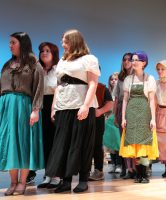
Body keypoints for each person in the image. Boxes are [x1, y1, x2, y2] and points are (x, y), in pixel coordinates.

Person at [45, 29, 100, 193]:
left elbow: (93, 84)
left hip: (81, 105)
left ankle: (83, 180)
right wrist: (54, 106)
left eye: (66, 41)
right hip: (64, 105)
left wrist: (85, 105)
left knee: (81, 143)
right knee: (64, 144)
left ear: (75, 41)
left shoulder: (89, 59)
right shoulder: (62, 60)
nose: (63, 44)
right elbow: (58, 85)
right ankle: (66, 180)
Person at [0, 32, 44, 195]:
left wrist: (35, 110)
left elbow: (39, 88)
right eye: (9, 42)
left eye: (13, 42)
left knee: (24, 143)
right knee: (9, 143)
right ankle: (12, 182)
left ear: (22, 44)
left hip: (23, 106)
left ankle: (22, 182)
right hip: (6, 107)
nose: (10, 45)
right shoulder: (6, 65)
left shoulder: (33, 63)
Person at [119, 51, 159, 183]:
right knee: (134, 144)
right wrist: (123, 117)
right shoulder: (128, 79)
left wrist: (153, 119)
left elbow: (152, 100)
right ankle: (138, 174)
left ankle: (144, 174)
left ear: (144, 63)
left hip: (144, 114)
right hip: (131, 114)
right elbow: (125, 100)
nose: (134, 62)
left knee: (144, 145)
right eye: (133, 59)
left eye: (137, 60)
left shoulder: (150, 79)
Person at [33, 42, 61, 189]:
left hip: (54, 105)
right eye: (42, 51)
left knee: (55, 140)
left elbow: (59, 89)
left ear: (54, 53)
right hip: (41, 105)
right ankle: (47, 174)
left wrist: (54, 109)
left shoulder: (58, 69)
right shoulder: (37, 69)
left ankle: (56, 175)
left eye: (47, 51)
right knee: (44, 141)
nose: (44, 53)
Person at [89, 69, 114, 181]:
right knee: (84, 145)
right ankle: (85, 170)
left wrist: (99, 111)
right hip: (82, 119)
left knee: (97, 144)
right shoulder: (82, 86)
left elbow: (110, 103)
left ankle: (98, 171)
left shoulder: (102, 88)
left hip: (97, 119)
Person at [113, 53, 136, 179]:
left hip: (135, 108)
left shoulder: (137, 76)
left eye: (129, 59)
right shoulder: (120, 78)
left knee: (135, 139)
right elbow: (116, 98)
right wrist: (115, 115)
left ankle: (137, 167)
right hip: (122, 108)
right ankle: (129, 169)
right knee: (125, 140)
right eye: (124, 60)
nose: (126, 62)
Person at [103, 72, 122, 174]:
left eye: (115, 79)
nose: (113, 81)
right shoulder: (107, 92)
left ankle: (119, 164)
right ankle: (113, 164)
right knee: (110, 145)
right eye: (112, 79)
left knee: (117, 143)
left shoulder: (120, 92)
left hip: (116, 119)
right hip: (108, 119)